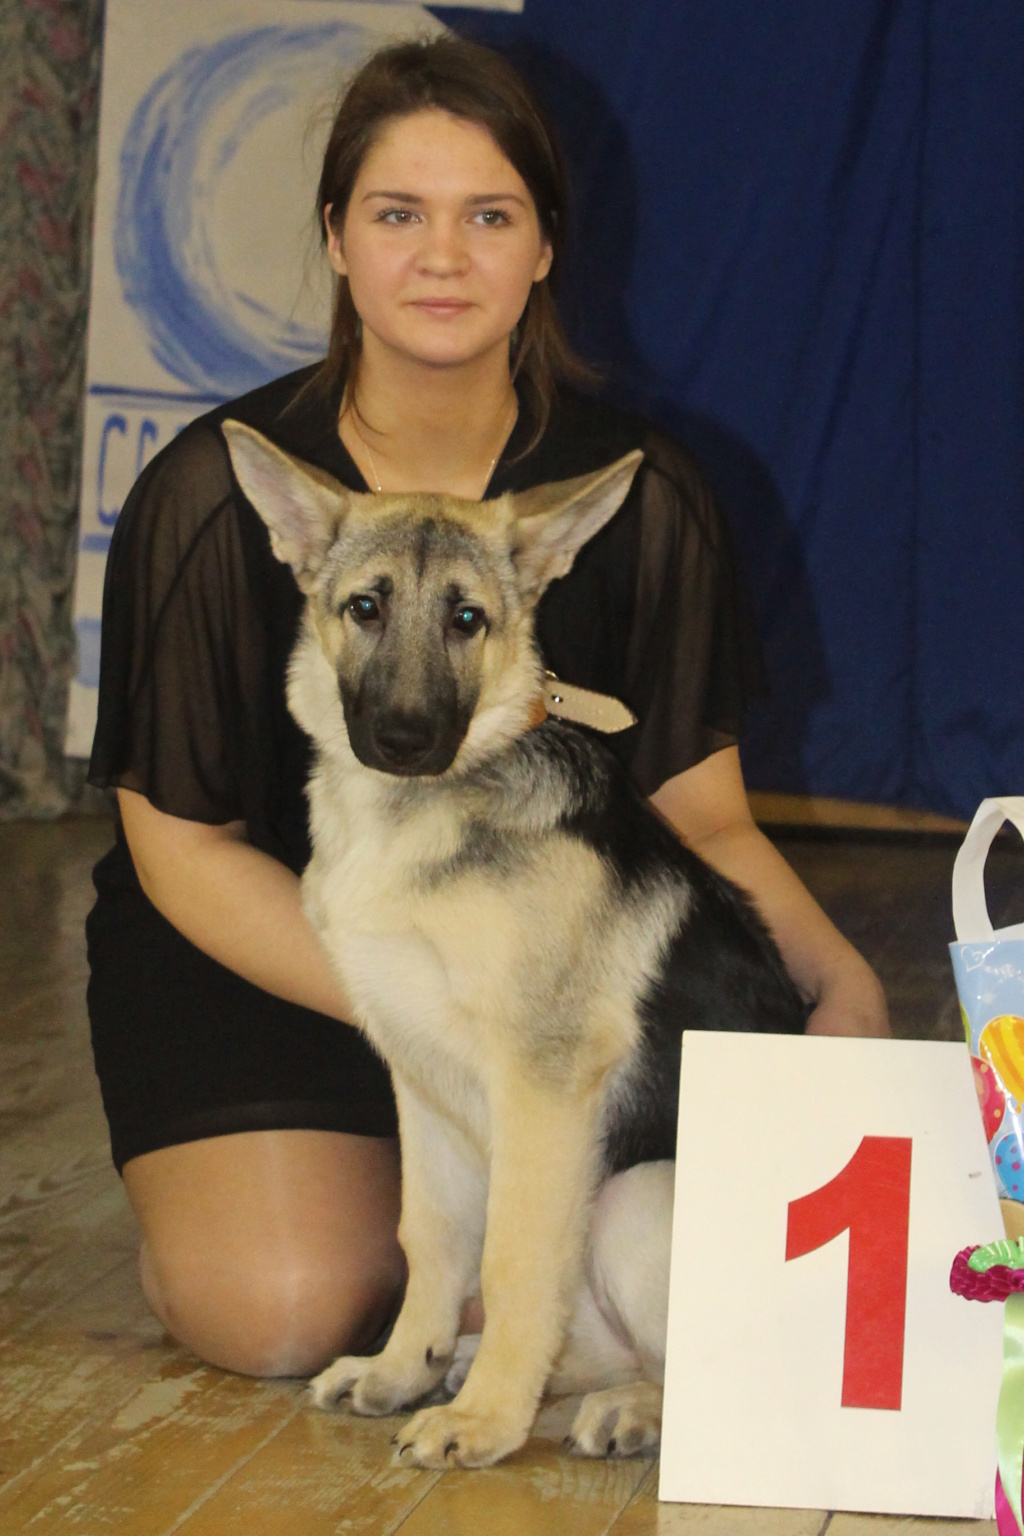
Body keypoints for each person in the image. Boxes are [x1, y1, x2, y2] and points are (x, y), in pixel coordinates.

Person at [86, 35, 889, 1381]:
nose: (443, 256)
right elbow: (175, 849)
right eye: (399, 214)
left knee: (582, 1217)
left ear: (545, 248)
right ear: (338, 238)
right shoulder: (220, 493)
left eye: (489, 216)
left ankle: (527, 1279)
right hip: (271, 947)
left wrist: (839, 983)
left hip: (528, 972)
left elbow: (703, 819)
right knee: (284, 1307)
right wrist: (428, 1005)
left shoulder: (635, 496)